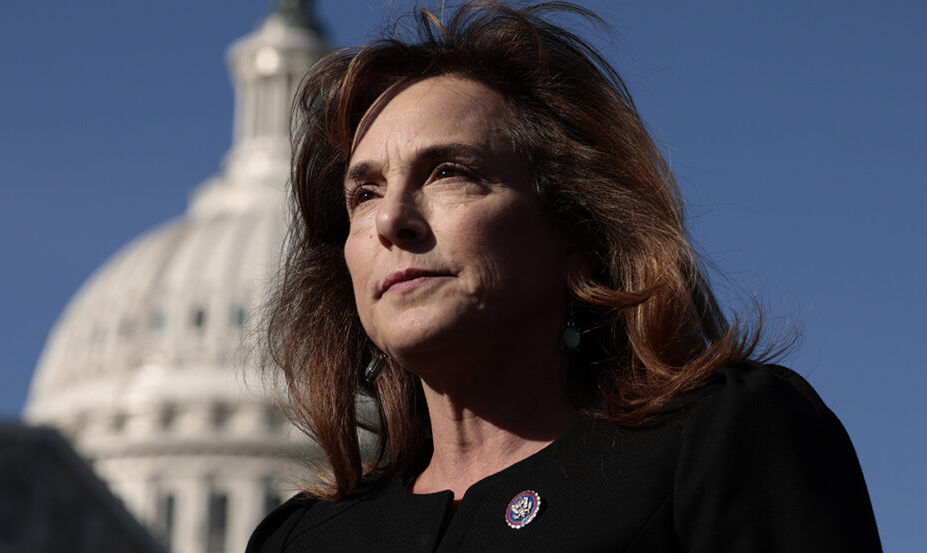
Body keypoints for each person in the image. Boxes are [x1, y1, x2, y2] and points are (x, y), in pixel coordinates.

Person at [249, 2, 882, 551]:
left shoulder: (720, 443)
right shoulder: (301, 539)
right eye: (364, 194)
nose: (391, 219)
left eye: (449, 172)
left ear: (578, 230)